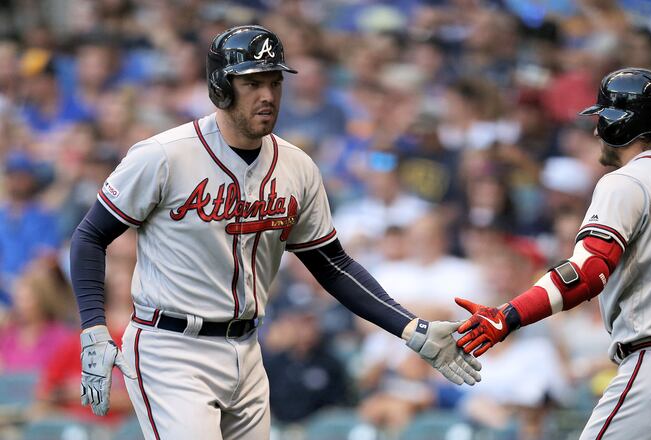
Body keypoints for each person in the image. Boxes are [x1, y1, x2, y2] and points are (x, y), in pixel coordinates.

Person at [68, 25, 481, 440]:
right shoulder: (163, 156)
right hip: (172, 347)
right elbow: (90, 236)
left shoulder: (296, 166)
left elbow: (332, 263)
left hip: (247, 349)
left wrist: (409, 327)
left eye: (274, 82)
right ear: (221, 87)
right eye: (252, 83)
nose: (267, 95)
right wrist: (94, 328)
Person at [454, 68, 651, 439]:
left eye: (603, 119)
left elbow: (588, 271)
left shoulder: (626, 181)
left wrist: (508, 315)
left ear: (623, 125)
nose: (597, 131)